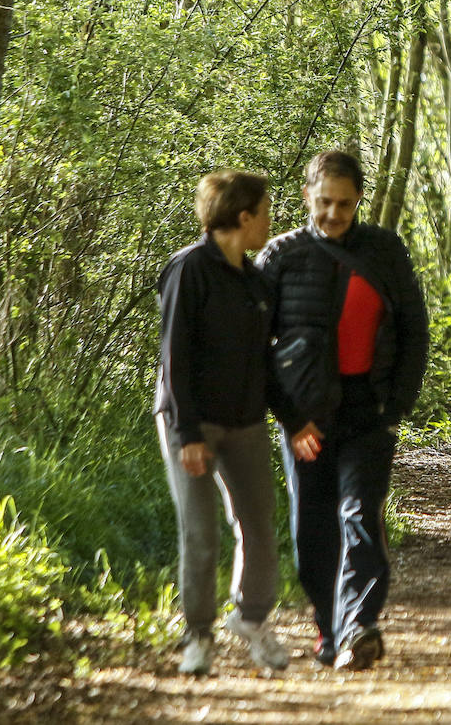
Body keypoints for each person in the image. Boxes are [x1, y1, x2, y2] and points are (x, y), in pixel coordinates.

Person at [257, 151, 429, 671]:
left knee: (360, 515)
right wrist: (286, 416)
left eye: (346, 204)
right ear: (307, 195)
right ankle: (328, 630)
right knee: (312, 530)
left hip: (365, 410)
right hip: (304, 417)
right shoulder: (280, 256)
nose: (334, 213)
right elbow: (255, 347)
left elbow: (413, 330)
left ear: (359, 202)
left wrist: (394, 404)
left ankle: (360, 625)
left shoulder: (384, 252)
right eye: (325, 202)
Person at [154, 170, 288, 676]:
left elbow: (266, 365)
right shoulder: (189, 269)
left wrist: (295, 422)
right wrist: (188, 433)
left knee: (258, 525)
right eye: (265, 212)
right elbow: (176, 356)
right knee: (201, 532)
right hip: (190, 422)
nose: (270, 222)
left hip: (246, 421)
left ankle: (252, 620)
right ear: (243, 216)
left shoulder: (256, 281)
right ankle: (198, 638)